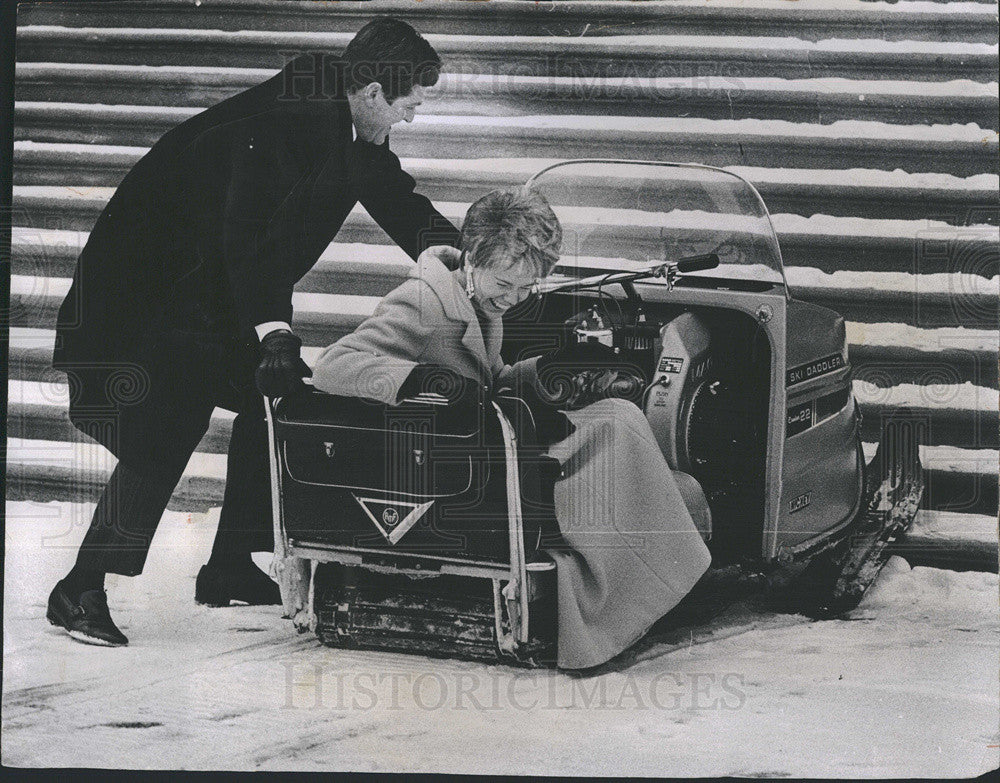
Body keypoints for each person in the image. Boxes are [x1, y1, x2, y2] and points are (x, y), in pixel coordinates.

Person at [46, 17, 462, 647]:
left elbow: (389, 191)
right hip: (145, 296)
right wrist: (274, 332)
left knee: (275, 401)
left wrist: (461, 255)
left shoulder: (338, 117)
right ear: (373, 92)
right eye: (409, 103)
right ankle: (78, 587)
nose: (413, 115)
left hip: (206, 292)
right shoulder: (284, 124)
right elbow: (248, 239)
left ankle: (229, 565)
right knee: (169, 421)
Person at [312, 187, 712, 670]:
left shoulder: (479, 299)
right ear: (473, 260)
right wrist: (419, 379)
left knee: (617, 416)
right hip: (459, 458)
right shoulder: (422, 301)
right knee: (618, 428)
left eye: (527, 289)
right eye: (507, 284)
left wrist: (553, 370)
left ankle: (641, 584)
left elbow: (489, 375)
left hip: (491, 437)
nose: (515, 299)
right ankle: (629, 593)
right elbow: (333, 365)